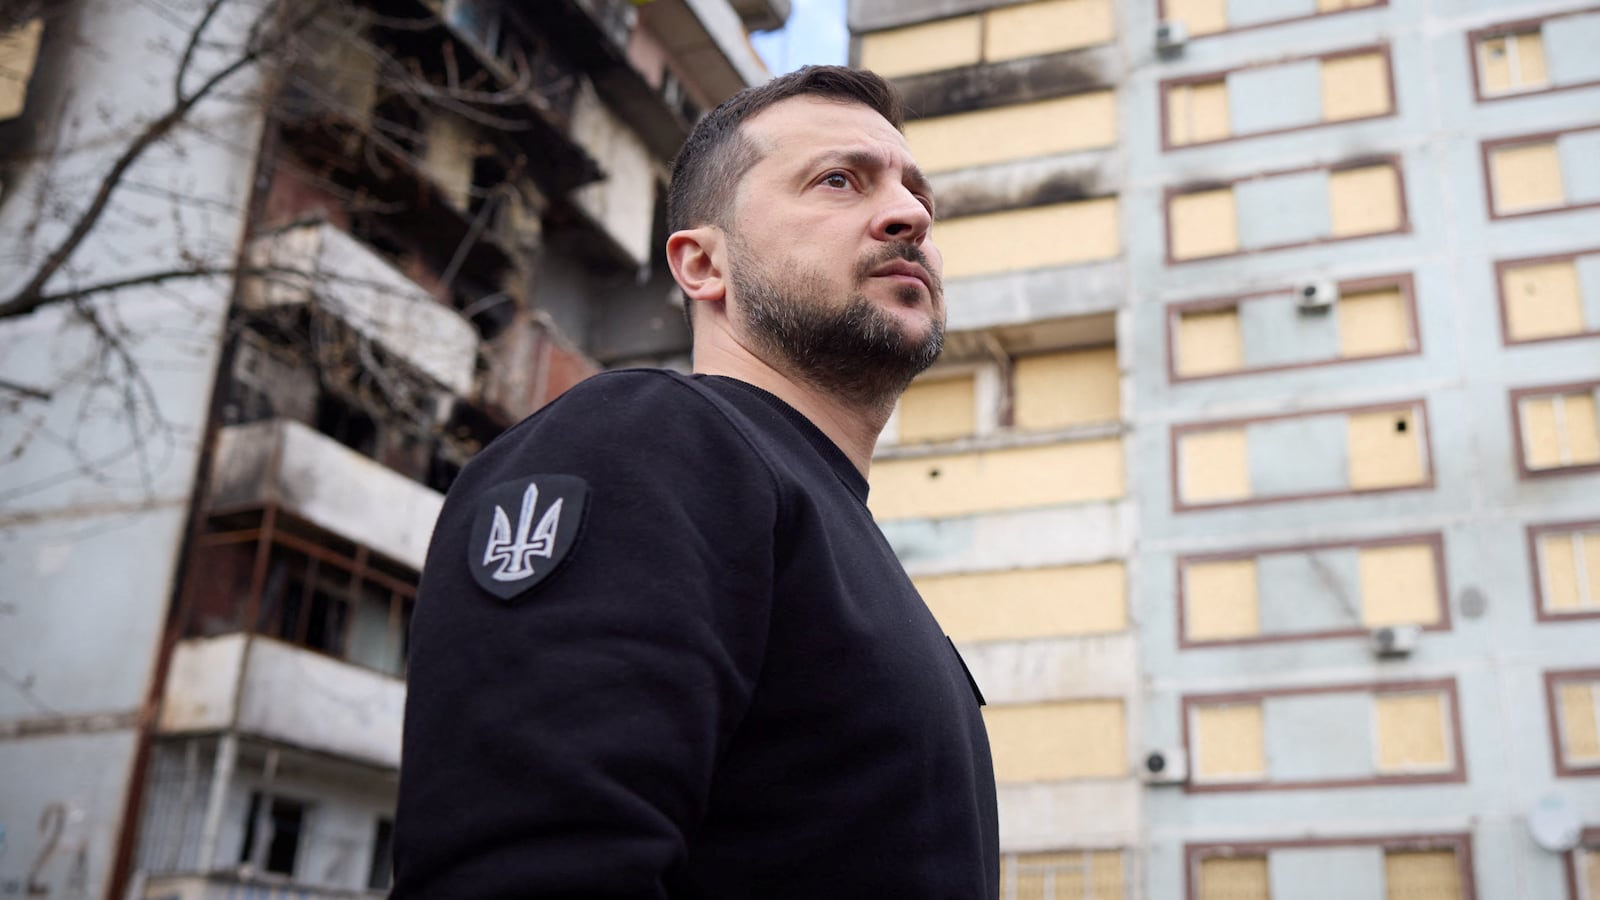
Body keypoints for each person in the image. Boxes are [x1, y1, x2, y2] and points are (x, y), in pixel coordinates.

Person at [391, 65, 998, 899]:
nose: (911, 215)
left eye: (916, 193)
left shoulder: (841, 543)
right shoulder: (650, 441)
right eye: (838, 180)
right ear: (703, 264)